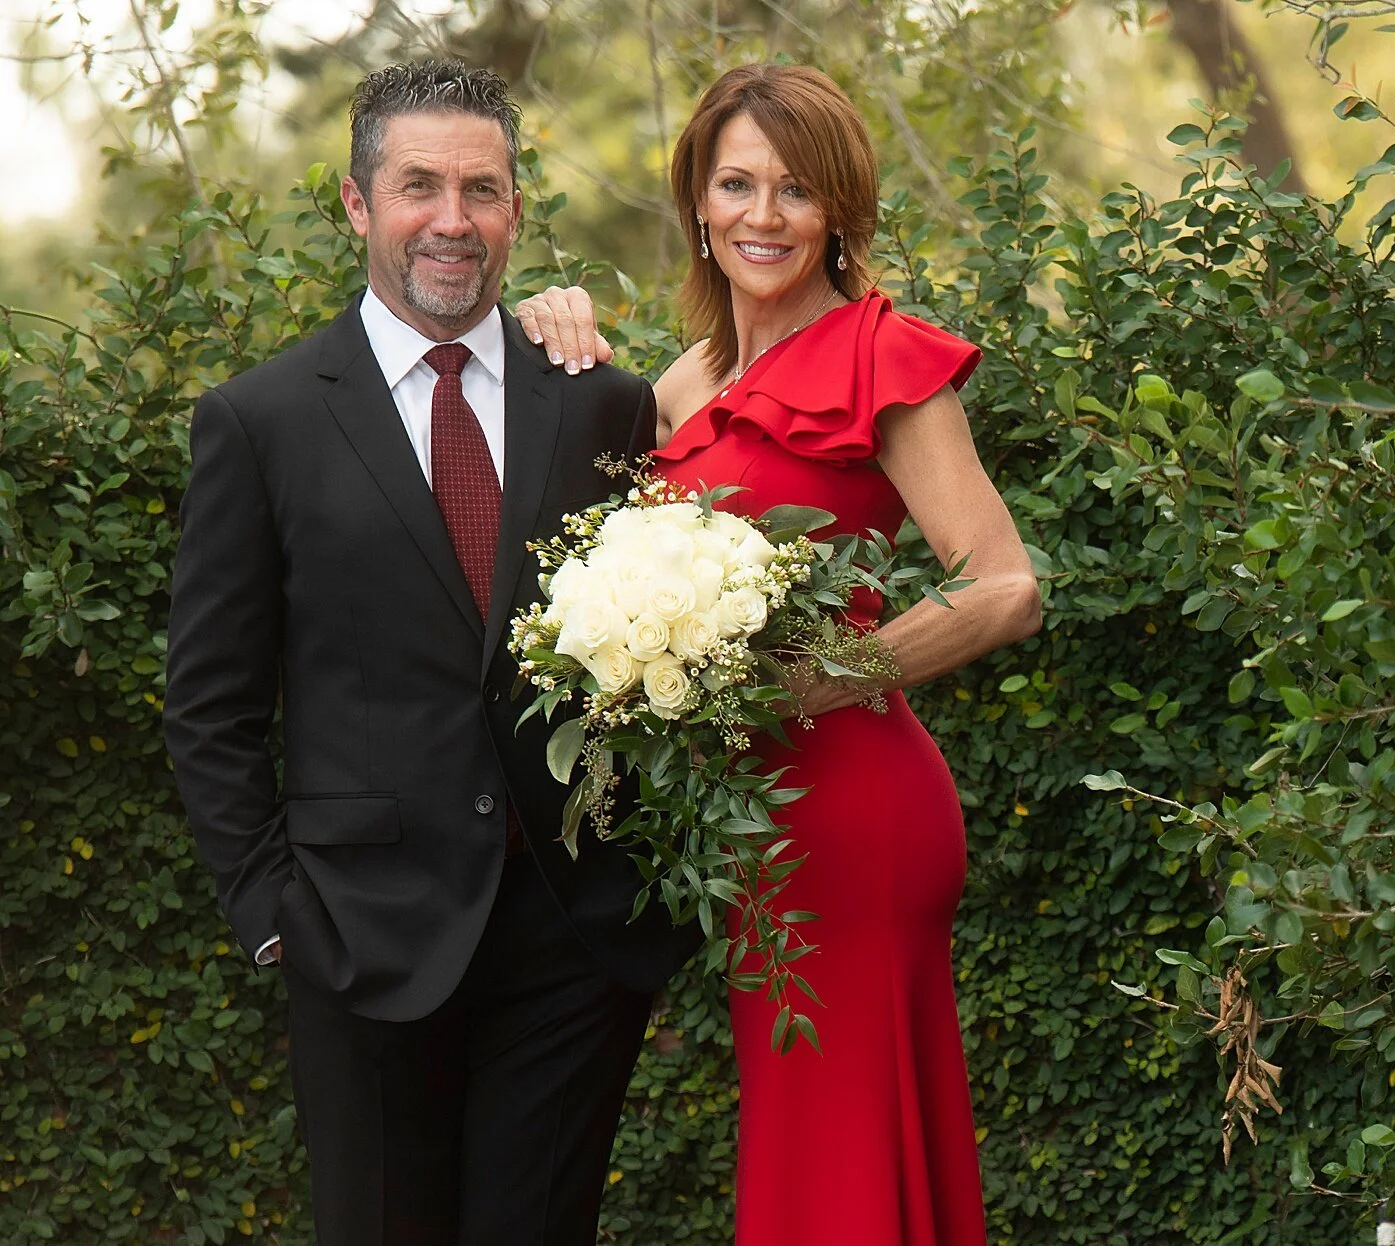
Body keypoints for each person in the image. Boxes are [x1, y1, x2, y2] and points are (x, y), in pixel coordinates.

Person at [163, 60, 692, 1246]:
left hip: (570, 940)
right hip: (358, 936)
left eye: (481, 189)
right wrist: (274, 913)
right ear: (359, 203)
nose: (452, 219)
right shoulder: (262, 420)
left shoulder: (599, 404)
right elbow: (210, 704)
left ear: (515, 209)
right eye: (419, 187)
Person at [515, 63, 1041, 1246]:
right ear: (697, 203)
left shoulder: (878, 352)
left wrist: (817, 678)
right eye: (736, 184)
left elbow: (1004, 586)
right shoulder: (683, 382)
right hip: (747, 826)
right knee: (812, 1139)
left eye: (796, 190)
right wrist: (545, 322)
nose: (763, 214)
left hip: (854, 812)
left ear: (838, 209)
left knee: (836, 1143)